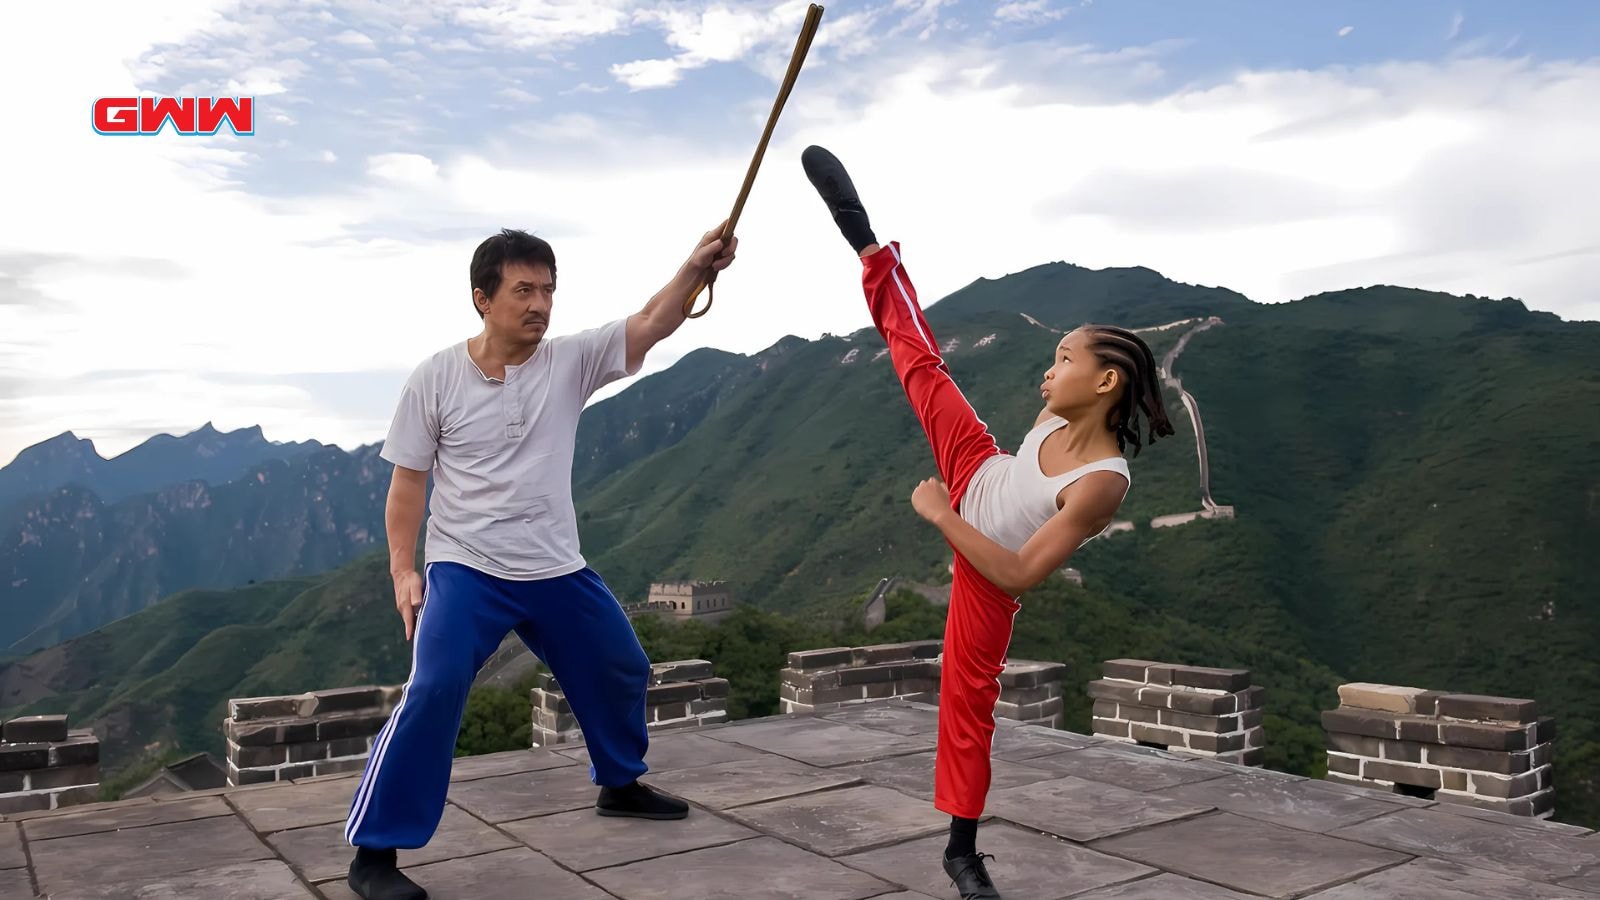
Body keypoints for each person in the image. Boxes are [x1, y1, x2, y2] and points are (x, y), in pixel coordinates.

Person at [801, 145, 1174, 900]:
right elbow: (1009, 460)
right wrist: (958, 493)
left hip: (987, 574)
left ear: (1104, 382)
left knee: (967, 705)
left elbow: (1015, 571)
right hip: (980, 466)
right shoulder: (1052, 413)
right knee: (924, 369)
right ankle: (870, 248)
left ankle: (960, 851)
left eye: (1061, 359)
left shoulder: (1101, 484)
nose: (1047, 371)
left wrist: (940, 516)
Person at [343, 223, 737, 900]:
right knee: (434, 688)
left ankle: (620, 784)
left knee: (620, 663)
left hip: (555, 565)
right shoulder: (435, 379)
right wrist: (403, 571)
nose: (540, 304)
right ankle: (374, 852)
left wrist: (696, 268)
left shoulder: (569, 362)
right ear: (482, 299)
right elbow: (408, 483)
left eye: (549, 290)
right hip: (466, 568)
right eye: (523, 289)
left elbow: (650, 322)